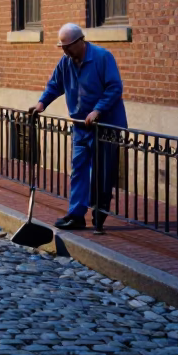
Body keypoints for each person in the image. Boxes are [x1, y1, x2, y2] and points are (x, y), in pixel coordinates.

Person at [29, 22, 127, 232]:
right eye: (62, 47)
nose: (64, 51)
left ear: (80, 41)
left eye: (68, 46)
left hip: (105, 126)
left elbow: (114, 87)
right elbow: (55, 84)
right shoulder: (66, 62)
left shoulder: (102, 57)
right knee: (79, 170)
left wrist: (98, 110)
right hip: (81, 125)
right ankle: (76, 215)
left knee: (101, 173)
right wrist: (41, 103)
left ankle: (99, 217)